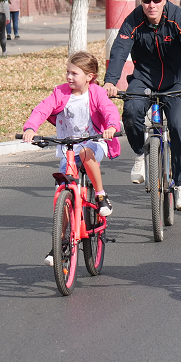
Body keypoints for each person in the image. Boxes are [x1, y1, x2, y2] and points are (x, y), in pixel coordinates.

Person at [103, 0, 181, 211]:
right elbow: (120, 51)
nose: (151, 5)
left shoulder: (178, 17)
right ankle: (141, 154)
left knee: (180, 128)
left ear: (164, 1)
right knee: (130, 112)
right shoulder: (134, 19)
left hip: (175, 81)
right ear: (142, 2)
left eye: (156, 0)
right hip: (144, 78)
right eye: (147, 1)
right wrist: (110, 81)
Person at [22, 51, 121, 265]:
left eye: (74, 73)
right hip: (69, 148)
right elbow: (42, 109)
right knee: (64, 194)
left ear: (90, 76)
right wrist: (30, 128)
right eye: (67, 72)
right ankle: (60, 242)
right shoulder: (60, 92)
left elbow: (109, 110)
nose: (68, 77)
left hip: (94, 142)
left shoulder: (96, 93)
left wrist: (112, 127)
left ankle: (101, 195)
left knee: (86, 154)